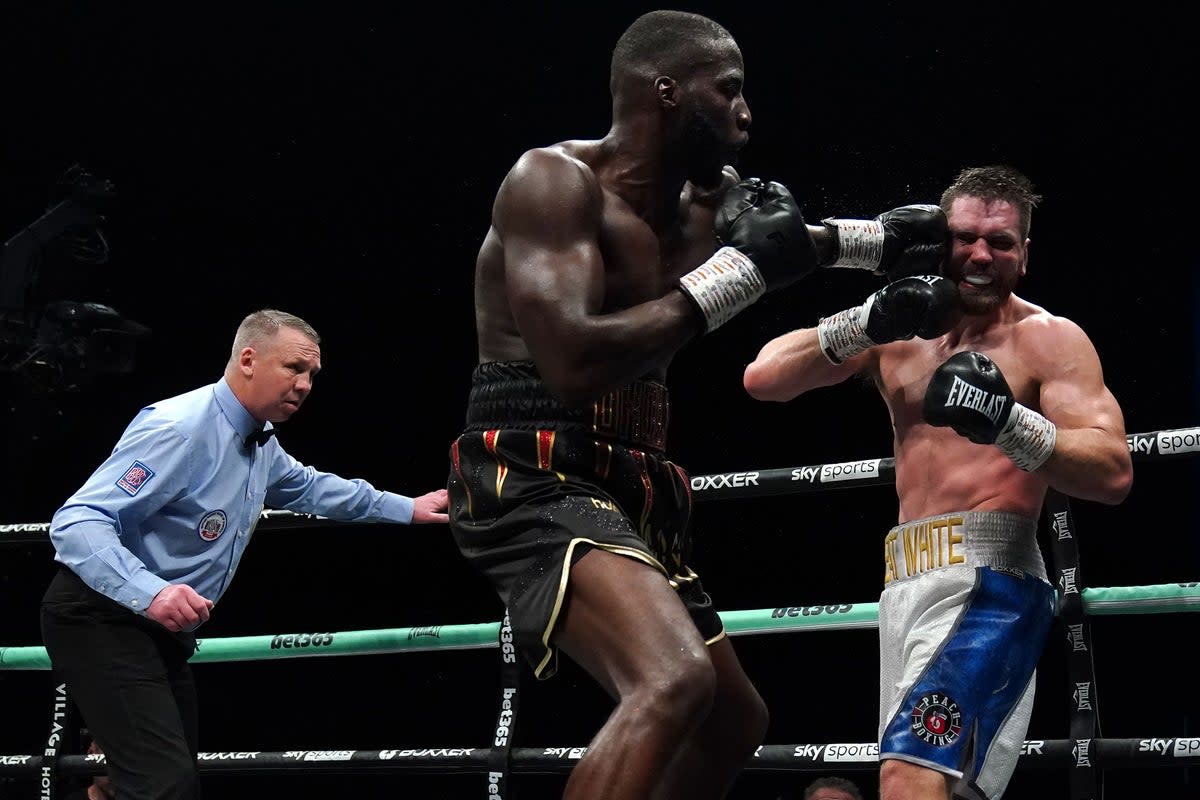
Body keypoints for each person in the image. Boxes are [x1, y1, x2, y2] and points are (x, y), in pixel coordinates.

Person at [445, 9, 947, 799]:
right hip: (532, 464)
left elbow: (789, 246)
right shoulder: (552, 182)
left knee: (730, 720)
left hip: (637, 475)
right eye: (731, 90)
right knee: (672, 680)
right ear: (667, 91)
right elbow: (573, 362)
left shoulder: (705, 208)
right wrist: (735, 277)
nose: (747, 114)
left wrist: (882, 246)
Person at [743, 164, 1133, 800]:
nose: (981, 255)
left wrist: (1008, 421)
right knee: (944, 790)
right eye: (965, 238)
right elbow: (764, 378)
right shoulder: (899, 328)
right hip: (903, 584)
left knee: (908, 778)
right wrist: (868, 322)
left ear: (1024, 255)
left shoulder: (1048, 340)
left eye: (1001, 243)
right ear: (938, 239)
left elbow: (1113, 472)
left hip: (991, 582)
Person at [40, 308, 450, 800]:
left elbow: (310, 488)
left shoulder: (258, 443)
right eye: (294, 369)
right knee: (162, 786)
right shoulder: (180, 428)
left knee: (139, 783)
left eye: (312, 375)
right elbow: (78, 520)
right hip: (100, 618)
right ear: (249, 359)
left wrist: (406, 508)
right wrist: (152, 591)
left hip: (156, 631)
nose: (304, 385)